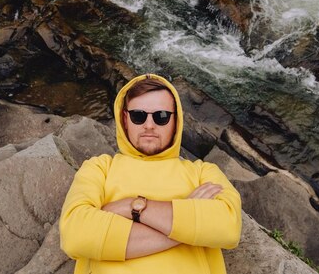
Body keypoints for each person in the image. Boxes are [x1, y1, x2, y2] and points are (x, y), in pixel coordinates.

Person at [60, 73, 242, 274]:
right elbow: (74, 235)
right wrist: (188, 222)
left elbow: (228, 227)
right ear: (125, 119)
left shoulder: (203, 172)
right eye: (139, 116)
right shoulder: (99, 168)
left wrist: (132, 207)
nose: (149, 125)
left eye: (161, 116)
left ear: (176, 121)